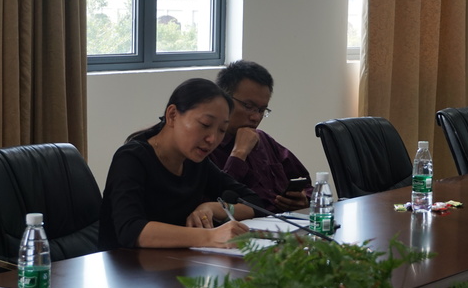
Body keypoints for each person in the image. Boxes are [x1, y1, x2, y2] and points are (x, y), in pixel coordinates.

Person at [98, 78, 263, 250]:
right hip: (124, 263)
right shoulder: (131, 158)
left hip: (175, 261)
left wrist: (213, 208)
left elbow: (254, 203)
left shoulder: (195, 161)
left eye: (221, 130)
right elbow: (131, 230)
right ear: (172, 115)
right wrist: (210, 236)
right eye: (205, 124)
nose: (212, 139)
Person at [210, 60, 312, 213]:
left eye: (262, 110)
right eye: (248, 106)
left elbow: (305, 183)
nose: (256, 117)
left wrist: (304, 198)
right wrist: (239, 154)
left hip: (286, 222)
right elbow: (217, 202)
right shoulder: (206, 146)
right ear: (223, 100)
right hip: (244, 225)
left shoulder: (264, 140)